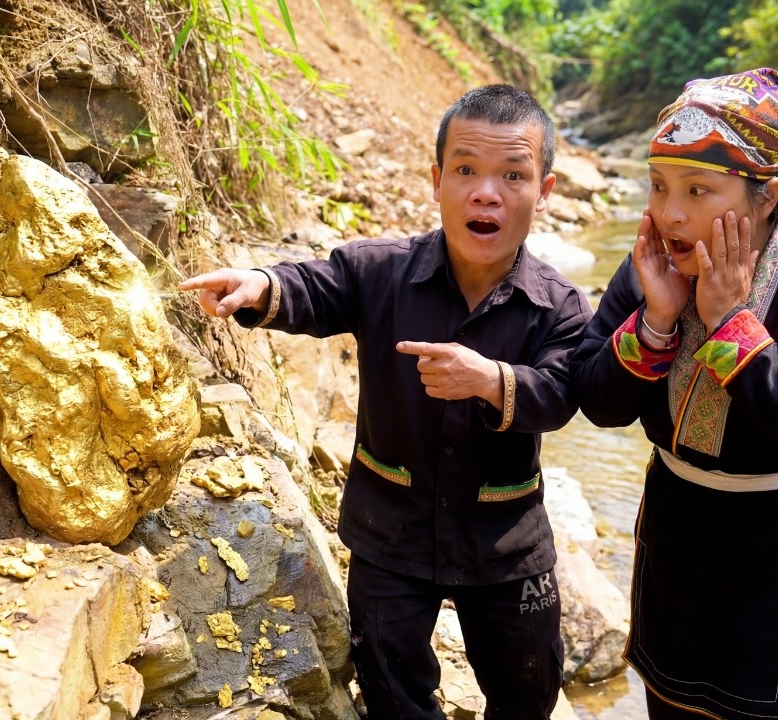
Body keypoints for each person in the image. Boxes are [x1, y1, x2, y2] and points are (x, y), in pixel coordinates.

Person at [180, 84, 592, 719]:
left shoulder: (559, 305)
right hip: (390, 530)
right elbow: (316, 286)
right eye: (466, 170)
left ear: (545, 192)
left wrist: (491, 381)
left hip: (505, 544)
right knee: (392, 690)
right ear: (436, 181)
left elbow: (562, 393)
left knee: (528, 691)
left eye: (514, 174)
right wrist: (260, 284)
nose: (486, 193)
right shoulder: (380, 270)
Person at [568, 67, 778, 720]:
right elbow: (598, 402)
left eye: (698, 190)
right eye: (659, 186)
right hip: (677, 530)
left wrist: (728, 321)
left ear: (767, 197)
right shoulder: (649, 271)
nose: (670, 213)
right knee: (671, 704)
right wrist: (656, 321)